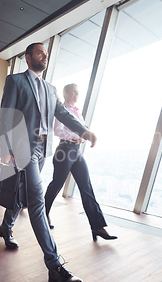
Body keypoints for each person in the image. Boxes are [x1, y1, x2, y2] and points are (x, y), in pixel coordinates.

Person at [0, 43, 97, 282]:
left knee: (24, 191)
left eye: (47, 53)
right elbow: (6, 115)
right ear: (28, 58)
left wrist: (83, 130)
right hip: (23, 148)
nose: (45, 56)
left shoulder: (51, 89)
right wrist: (6, 149)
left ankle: (6, 226)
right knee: (37, 201)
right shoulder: (16, 81)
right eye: (40, 52)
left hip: (43, 149)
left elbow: (63, 114)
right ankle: (55, 266)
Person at [44, 83, 117, 241]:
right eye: (73, 92)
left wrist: (82, 137)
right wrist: (76, 136)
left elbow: (81, 128)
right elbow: (57, 130)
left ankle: (97, 226)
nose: (77, 95)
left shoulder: (77, 112)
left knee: (86, 187)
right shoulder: (62, 110)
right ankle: (43, 215)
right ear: (65, 93)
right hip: (64, 151)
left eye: (78, 92)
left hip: (76, 152)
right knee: (56, 185)